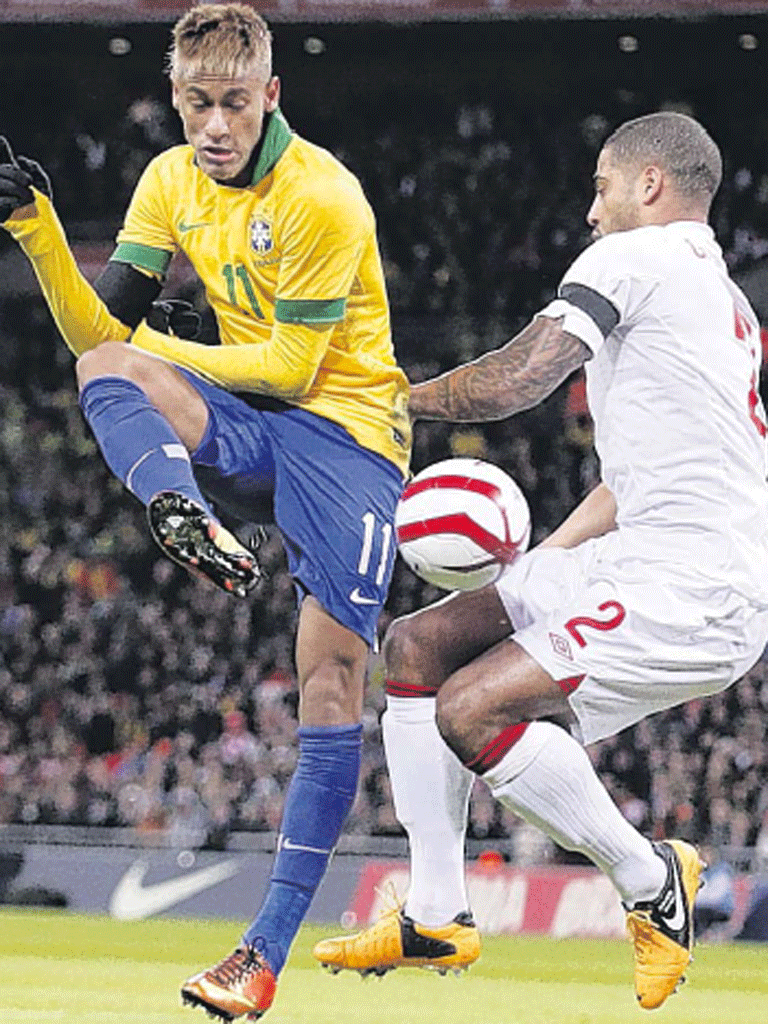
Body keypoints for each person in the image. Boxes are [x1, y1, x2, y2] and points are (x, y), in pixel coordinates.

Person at [0, 4, 410, 1021]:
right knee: (104, 362)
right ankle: (178, 509)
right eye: (196, 102)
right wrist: (39, 233)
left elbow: (291, 366)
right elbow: (103, 334)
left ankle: (259, 955)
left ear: (270, 95)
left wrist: (167, 349)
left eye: (233, 102)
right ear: (174, 95)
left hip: (350, 438)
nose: (213, 125)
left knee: (329, 683)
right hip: (251, 431)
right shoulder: (169, 179)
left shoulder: (323, 195)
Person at [312, 111, 768, 1011]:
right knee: (417, 646)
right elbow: (636, 479)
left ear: (648, 185)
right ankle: (435, 910)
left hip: (693, 586)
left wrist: (391, 403)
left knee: (470, 709)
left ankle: (649, 881)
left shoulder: (633, 258)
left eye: (600, 187)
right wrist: (537, 574)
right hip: (647, 555)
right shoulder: (722, 302)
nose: (590, 212)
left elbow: (522, 377)